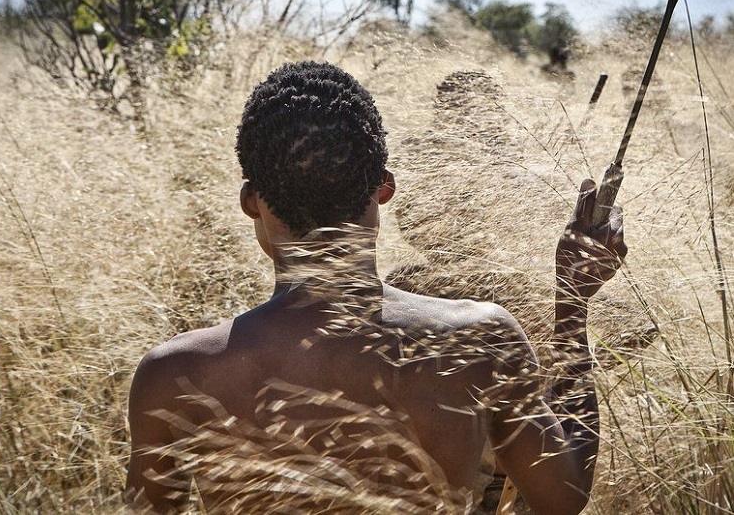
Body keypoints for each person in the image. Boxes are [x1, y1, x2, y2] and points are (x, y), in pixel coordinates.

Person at [125, 61, 627, 513]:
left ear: (251, 200)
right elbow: (563, 498)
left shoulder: (173, 373)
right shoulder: (479, 338)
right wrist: (572, 303)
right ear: (384, 188)